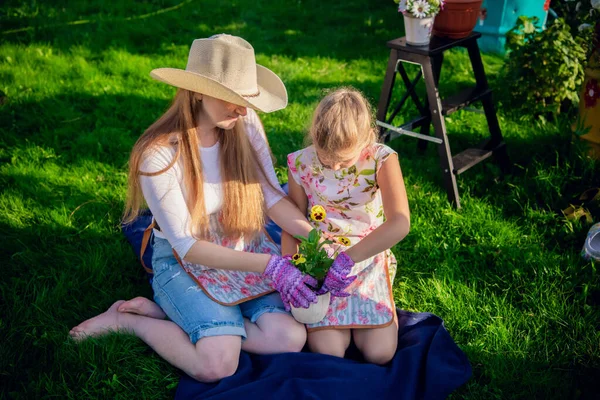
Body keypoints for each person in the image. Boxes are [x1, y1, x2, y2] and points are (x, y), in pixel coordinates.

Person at [69, 34, 321, 383]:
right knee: (216, 365)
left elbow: (271, 196)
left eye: (246, 98)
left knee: (290, 338)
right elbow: (186, 245)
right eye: (232, 98)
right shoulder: (159, 154)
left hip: (242, 245)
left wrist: (319, 240)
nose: (243, 109)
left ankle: (183, 319)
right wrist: (272, 266)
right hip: (185, 260)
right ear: (197, 91)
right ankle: (129, 321)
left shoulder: (244, 126)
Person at [282, 87, 410, 365]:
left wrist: (347, 259)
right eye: (327, 160)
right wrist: (291, 270)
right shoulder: (301, 163)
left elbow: (400, 222)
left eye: (345, 160)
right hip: (321, 261)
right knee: (329, 351)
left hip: (368, 255)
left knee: (379, 353)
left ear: (366, 139)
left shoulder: (380, 159)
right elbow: (292, 220)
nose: (337, 168)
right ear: (315, 138)